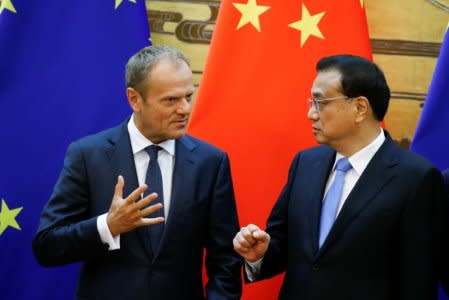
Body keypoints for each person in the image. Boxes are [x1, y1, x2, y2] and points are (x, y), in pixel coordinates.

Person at [33, 45, 242, 300]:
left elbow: (226, 261)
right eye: (171, 100)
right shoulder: (88, 155)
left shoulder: (210, 162)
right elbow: (46, 246)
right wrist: (108, 226)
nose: (185, 109)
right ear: (134, 99)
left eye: (188, 96)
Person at [233, 55, 444, 300]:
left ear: (359, 108)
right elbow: (289, 248)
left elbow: (418, 280)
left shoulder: (417, 178)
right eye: (311, 102)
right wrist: (260, 254)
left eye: (320, 103)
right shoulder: (306, 163)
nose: (311, 114)